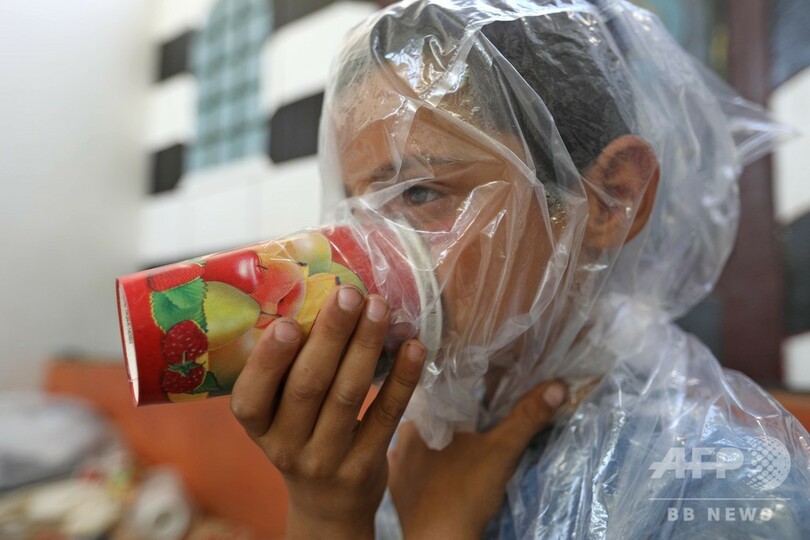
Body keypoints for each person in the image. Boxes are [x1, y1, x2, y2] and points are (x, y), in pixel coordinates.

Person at [231, 1, 810, 538]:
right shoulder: (407, 449)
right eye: (358, 212)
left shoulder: (724, 493)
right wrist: (327, 512)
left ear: (610, 198)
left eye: (421, 192)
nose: (375, 258)